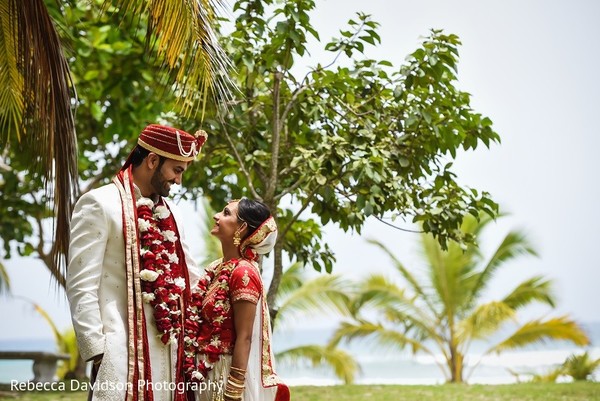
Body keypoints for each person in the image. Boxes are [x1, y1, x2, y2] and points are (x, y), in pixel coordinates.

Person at [66, 124, 207, 401]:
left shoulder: (172, 214)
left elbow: (190, 274)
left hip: (169, 351)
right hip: (121, 351)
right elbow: (81, 281)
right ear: (152, 160)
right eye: (176, 170)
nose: (178, 181)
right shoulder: (100, 203)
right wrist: (96, 349)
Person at [183, 198, 290, 401]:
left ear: (241, 228)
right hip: (203, 373)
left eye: (225, 213)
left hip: (223, 373)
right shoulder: (217, 268)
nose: (216, 216)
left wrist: (233, 389)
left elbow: (245, 336)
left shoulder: (243, 273)